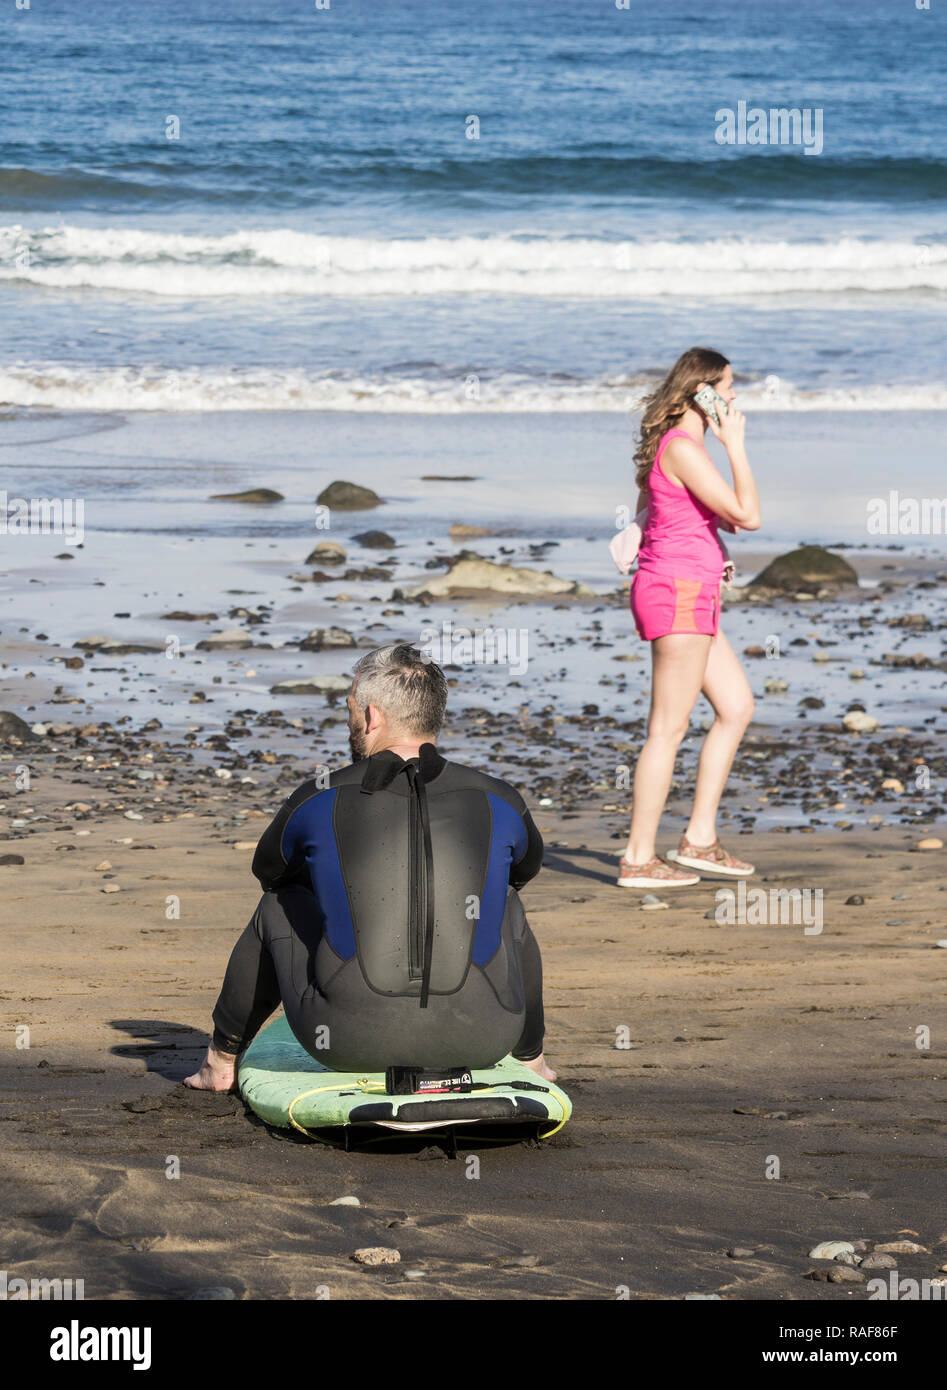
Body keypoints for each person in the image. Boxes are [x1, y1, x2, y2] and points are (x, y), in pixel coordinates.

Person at [185, 643, 555, 1091]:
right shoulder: (501, 797)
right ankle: (532, 1060)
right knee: (509, 905)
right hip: (485, 1037)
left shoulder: (319, 795)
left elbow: (270, 873)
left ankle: (220, 1064)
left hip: (346, 1040)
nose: (350, 721)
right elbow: (524, 869)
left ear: (372, 716)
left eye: (350, 710)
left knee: (279, 904)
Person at [619, 347, 762, 889]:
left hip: (690, 593)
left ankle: (699, 839)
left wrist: (707, 551)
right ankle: (637, 857)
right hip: (677, 594)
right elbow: (748, 515)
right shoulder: (684, 446)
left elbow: (666, 514)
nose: (733, 397)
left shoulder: (678, 444)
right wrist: (737, 446)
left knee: (737, 706)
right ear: (702, 392)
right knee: (667, 729)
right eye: (727, 387)